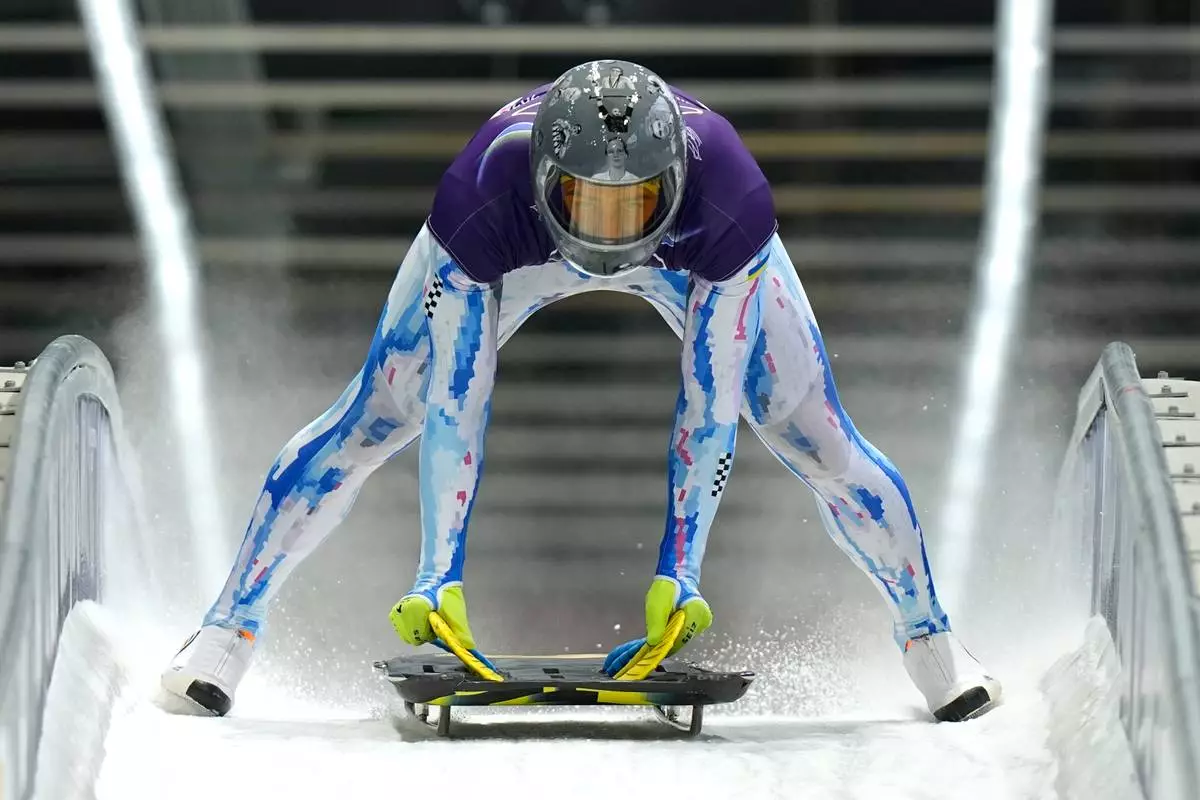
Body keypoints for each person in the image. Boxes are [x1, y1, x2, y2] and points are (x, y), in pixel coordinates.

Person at [161, 60, 1001, 722]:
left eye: (634, 203)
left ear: (672, 182)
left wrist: (684, 572)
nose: (612, 231)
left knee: (809, 430)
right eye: (589, 205)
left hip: (696, 259)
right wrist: (435, 575)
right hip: (520, 253)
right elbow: (458, 399)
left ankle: (933, 642)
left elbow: (708, 405)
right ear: (545, 180)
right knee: (383, 414)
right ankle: (225, 632)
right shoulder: (481, 193)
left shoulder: (731, 201)